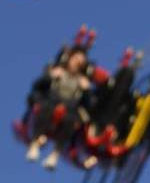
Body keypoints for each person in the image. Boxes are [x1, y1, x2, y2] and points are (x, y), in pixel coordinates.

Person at [17, 26, 110, 170]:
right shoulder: (57, 71)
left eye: (81, 62)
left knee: (71, 120)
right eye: (75, 60)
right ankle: (35, 143)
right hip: (51, 102)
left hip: (69, 108)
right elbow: (37, 87)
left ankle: (55, 154)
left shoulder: (82, 81)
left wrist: (86, 91)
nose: (77, 64)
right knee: (46, 108)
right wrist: (50, 77)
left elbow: (90, 105)